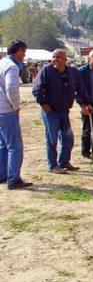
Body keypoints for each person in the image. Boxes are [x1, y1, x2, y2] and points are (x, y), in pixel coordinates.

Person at [32, 48, 92, 174]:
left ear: (65, 59)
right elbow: (37, 89)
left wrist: (85, 104)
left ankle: (64, 162)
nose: (55, 59)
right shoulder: (46, 70)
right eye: (54, 57)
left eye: (58, 57)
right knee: (52, 139)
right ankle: (53, 165)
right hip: (50, 111)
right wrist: (43, 104)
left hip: (64, 110)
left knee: (68, 138)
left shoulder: (73, 72)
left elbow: (80, 90)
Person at [0, 40, 32, 189]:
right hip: (7, 110)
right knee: (15, 147)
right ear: (19, 50)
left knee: (3, 145)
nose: (24, 55)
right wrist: (16, 106)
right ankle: (13, 179)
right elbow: (11, 87)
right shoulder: (12, 66)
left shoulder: (2, 63)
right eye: (24, 52)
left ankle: (3, 175)